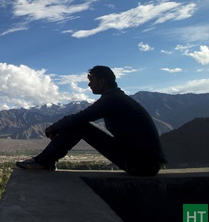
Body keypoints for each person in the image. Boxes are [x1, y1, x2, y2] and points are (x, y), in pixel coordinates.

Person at [16, 65, 167, 176]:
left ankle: (42, 162)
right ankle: (45, 161)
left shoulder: (112, 100)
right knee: (78, 125)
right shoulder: (116, 97)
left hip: (142, 164)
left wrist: (53, 128)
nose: (89, 85)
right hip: (144, 162)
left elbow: (81, 117)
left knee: (79, 126)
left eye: (91, 81)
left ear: (102, 82)